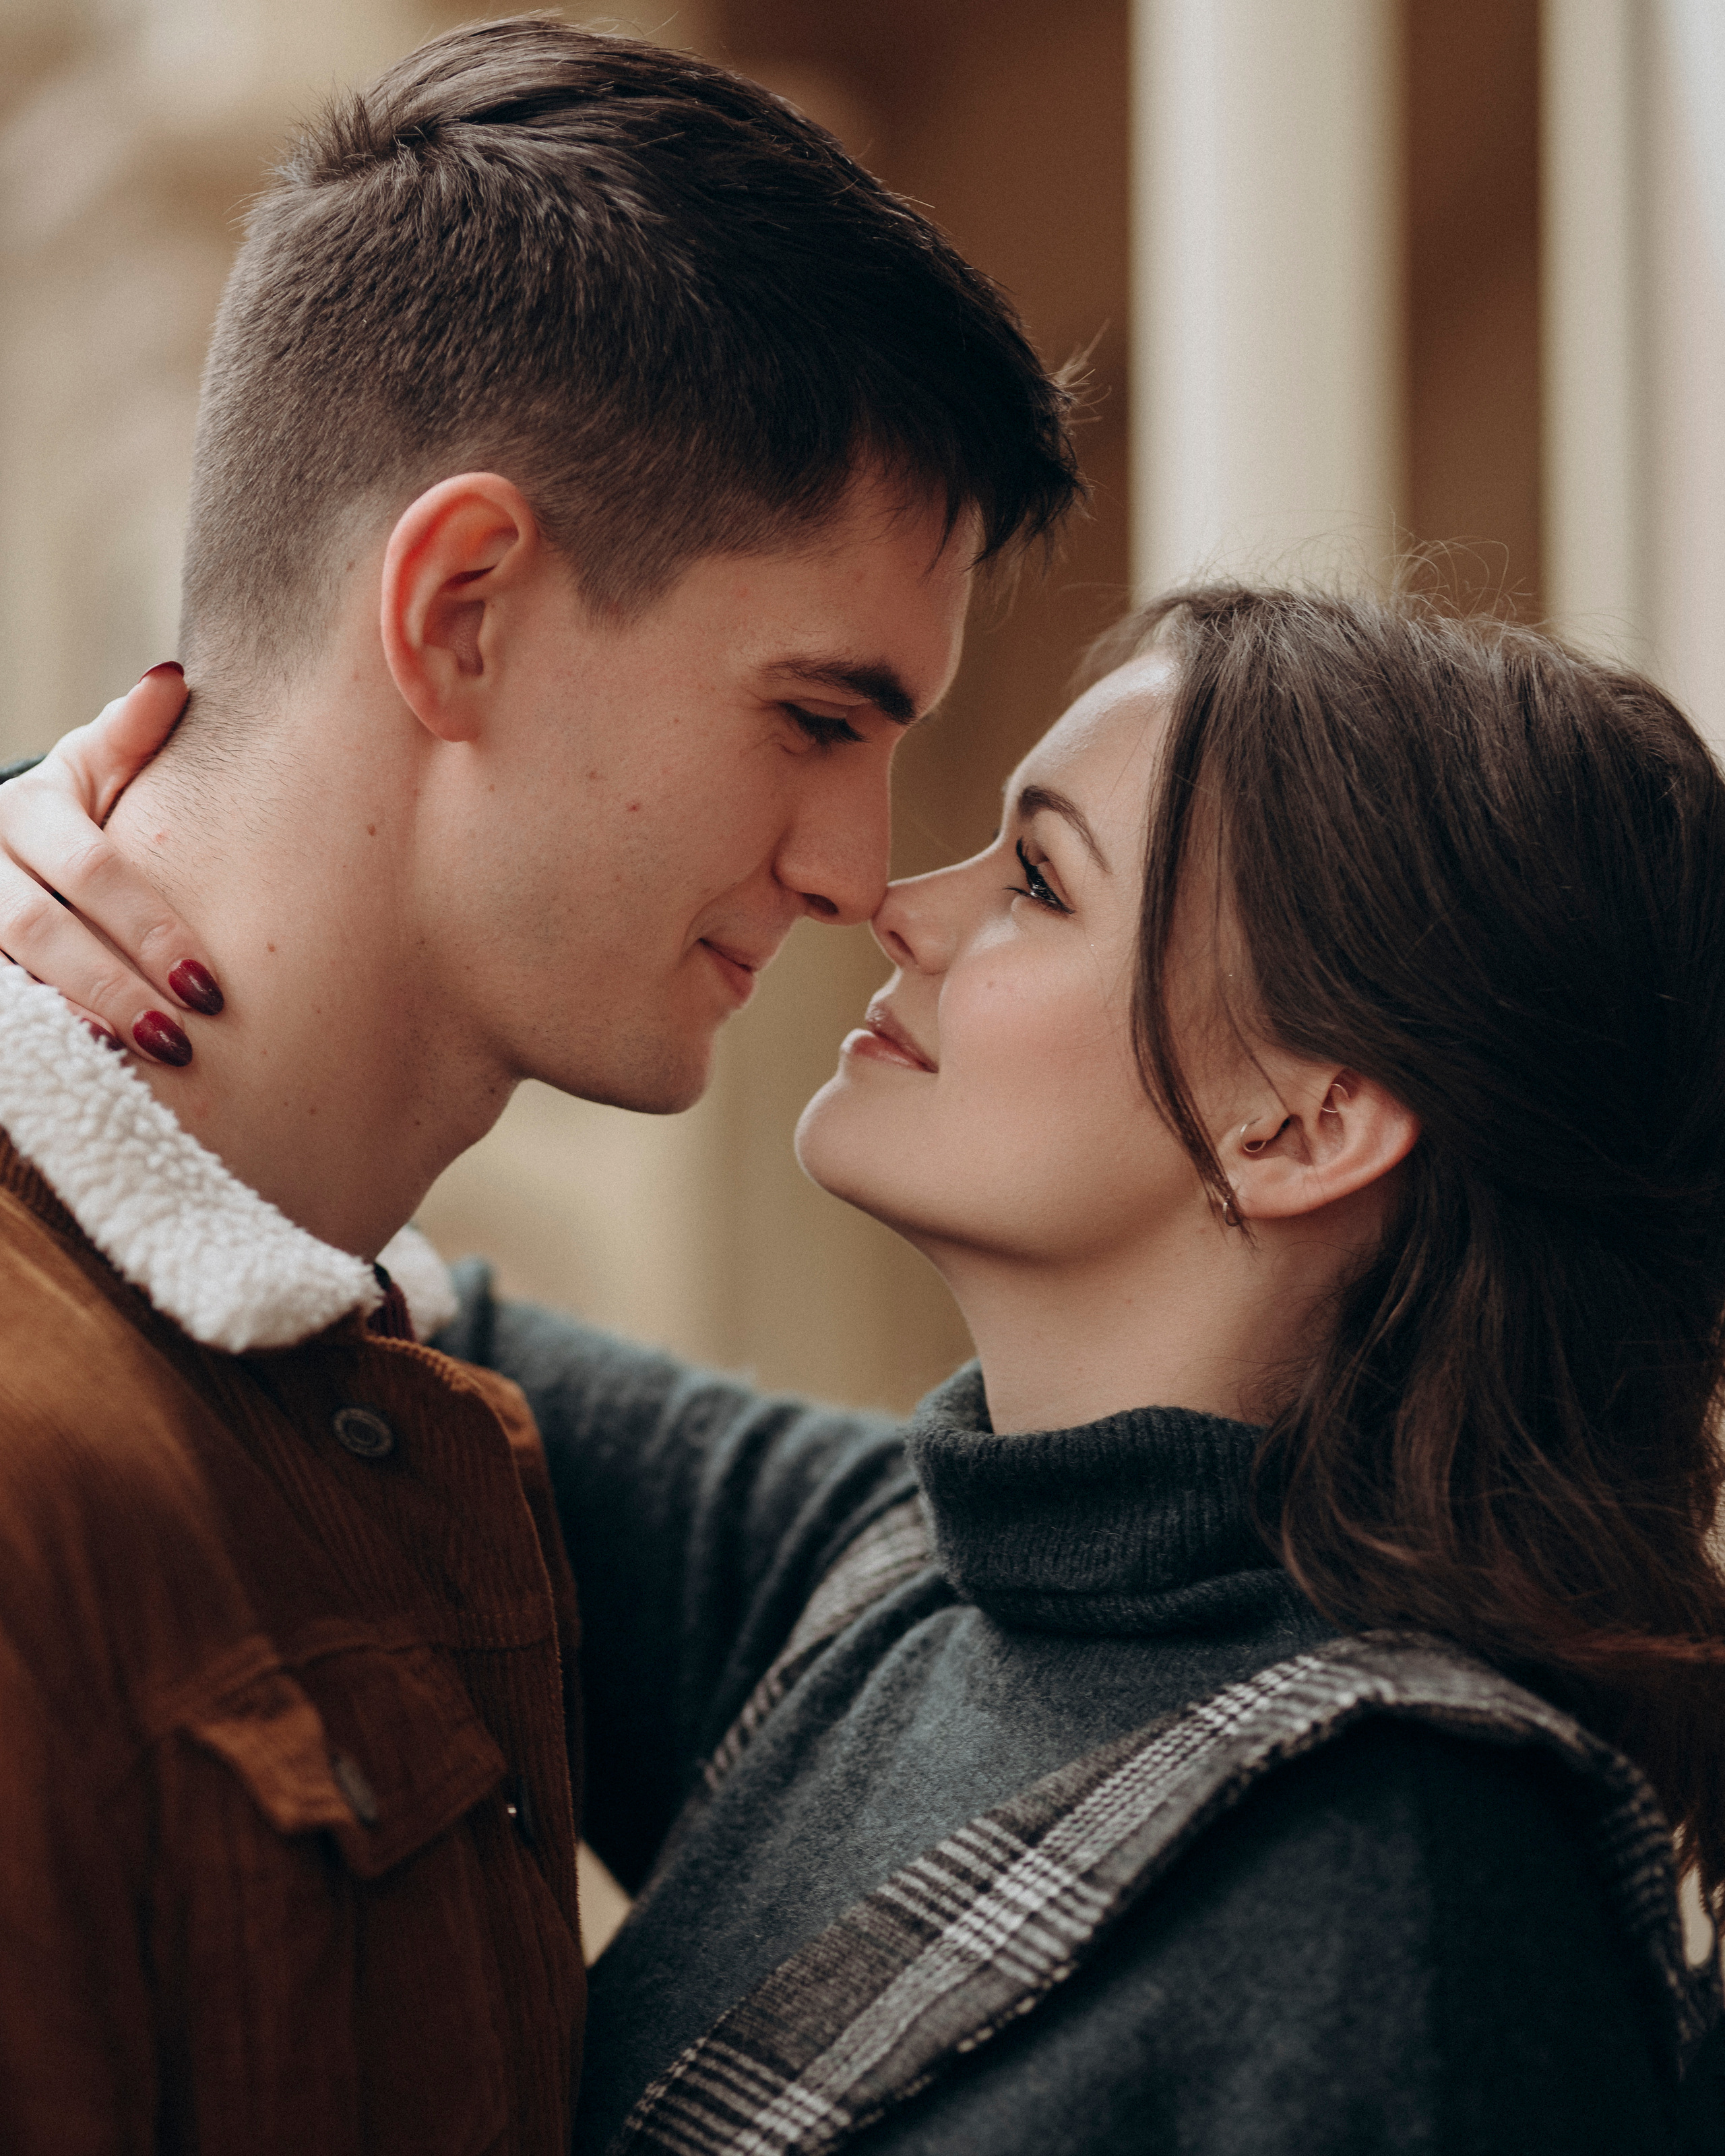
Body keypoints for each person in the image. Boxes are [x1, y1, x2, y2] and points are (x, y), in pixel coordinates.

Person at [16, 587, 1725, 2153]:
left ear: (1303, 1121)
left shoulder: (1410, 1883)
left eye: (1040, 880)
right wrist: (52, 862)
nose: (897, 903)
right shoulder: (904, 1567)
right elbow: (340, 1287)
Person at [0, 15, 1078, 2152]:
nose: (860, 874)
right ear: (464, 606)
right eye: (814, 717)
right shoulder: (38, 1471)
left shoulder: (422, 1414)